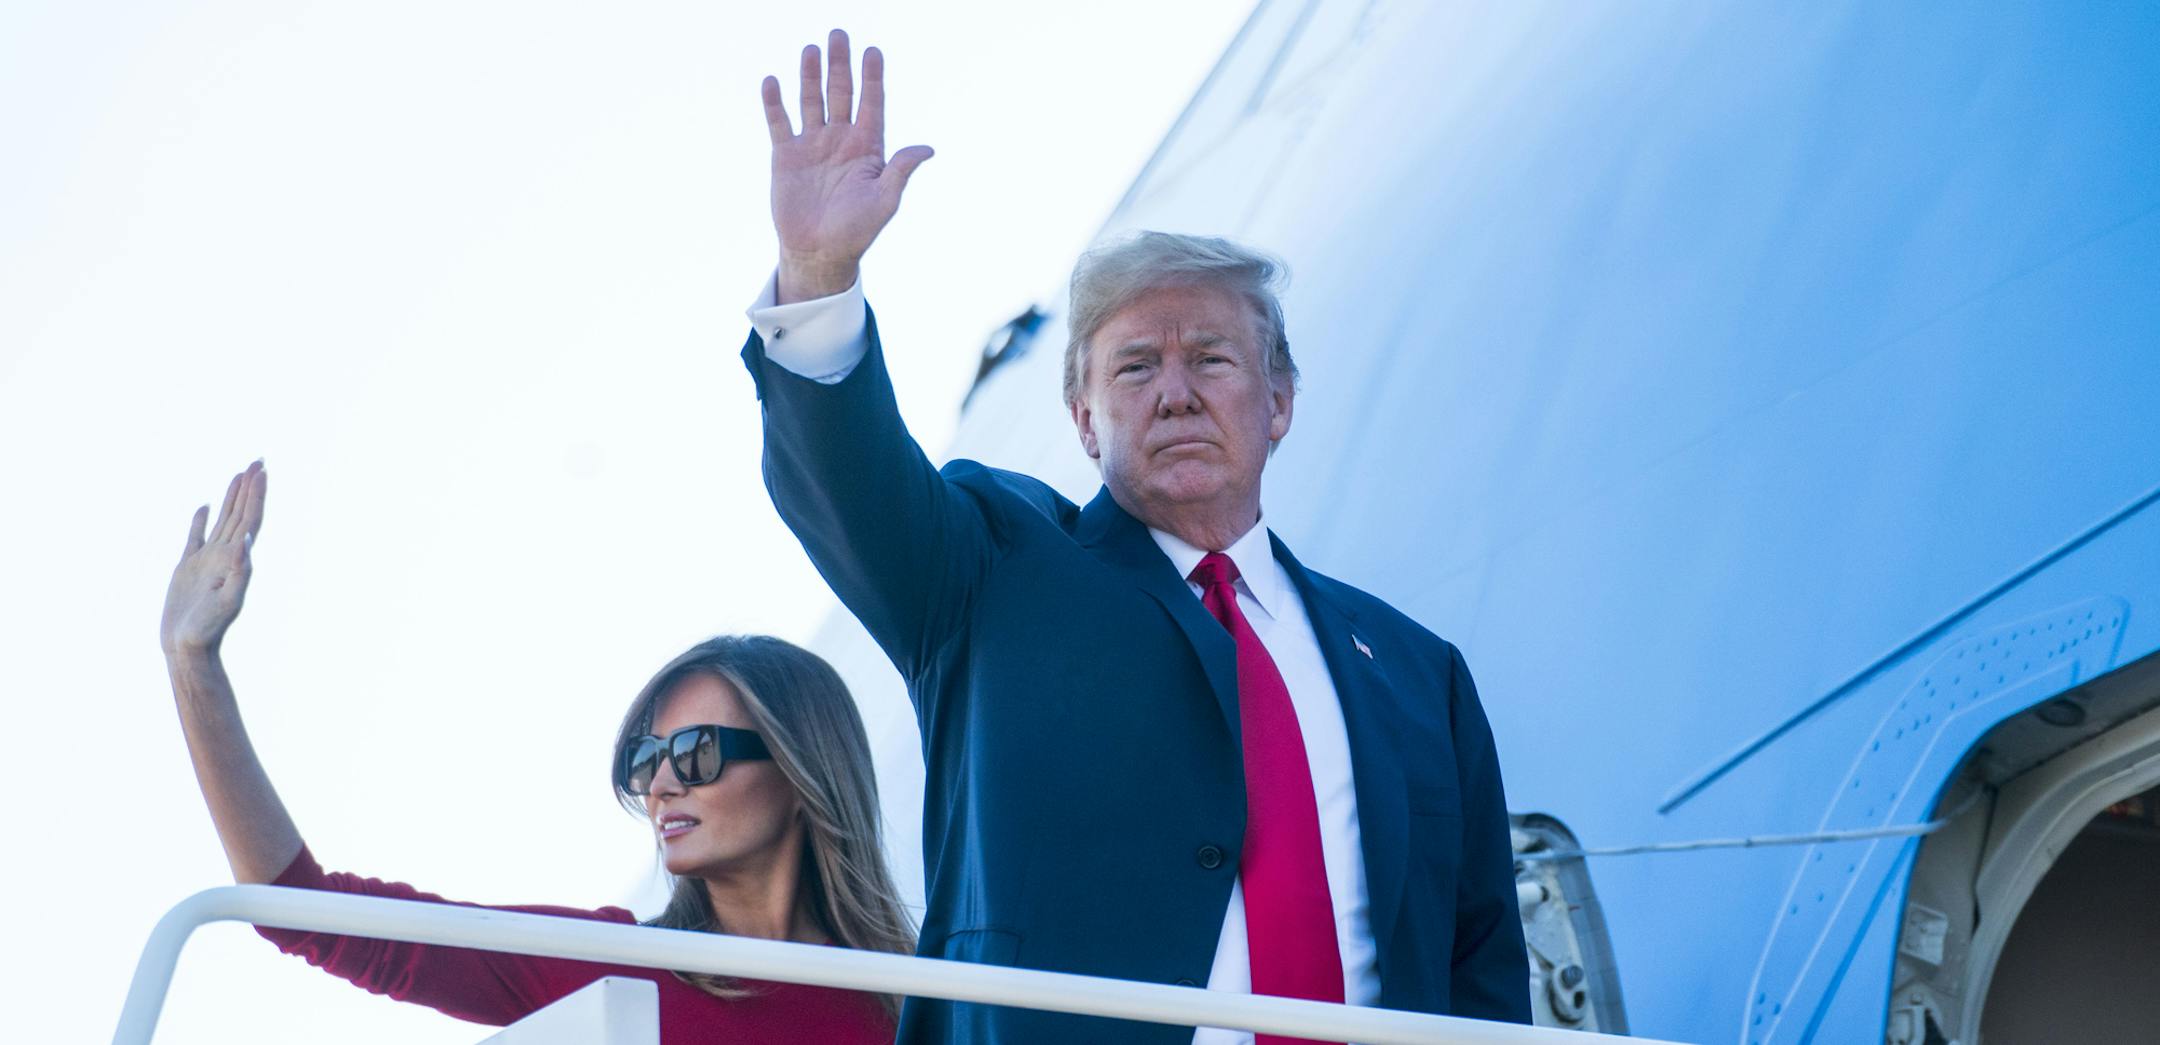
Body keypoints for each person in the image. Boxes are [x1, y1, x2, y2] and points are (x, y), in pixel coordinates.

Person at [738, 30, 1532, 1045]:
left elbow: (1478, 964)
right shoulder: (991, 575)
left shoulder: (1418, 675)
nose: (1175, 393)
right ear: (1082, 419)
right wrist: (816, 275)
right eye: (1132, 368)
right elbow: (853, 488)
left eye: (1211, 356)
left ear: (1279, 401)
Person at [159, 460, 909, 1044]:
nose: (662, 786)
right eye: (646, 761)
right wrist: (194, 665)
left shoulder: (918, 998)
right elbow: (305, 908)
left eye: (697, 751)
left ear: (801, 769)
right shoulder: (618, 968)